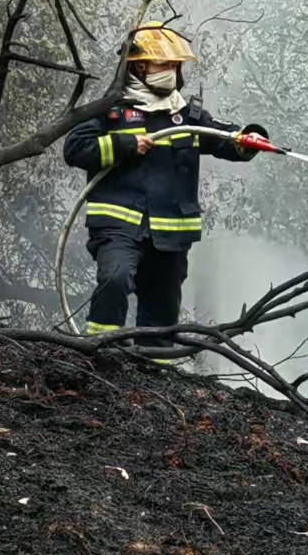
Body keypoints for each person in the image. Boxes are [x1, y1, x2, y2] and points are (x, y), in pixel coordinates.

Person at [63, 25, 268, 342]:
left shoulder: (186, 115)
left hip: (170, 232)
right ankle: (100, 355)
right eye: (165, 65)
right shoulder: (112, 110)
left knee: (162, 312)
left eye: (176, 66)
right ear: (140, 66)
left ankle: (153, 376)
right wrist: (128, 145)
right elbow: (75, 148)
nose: (172, 72)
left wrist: (248, 139)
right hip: (118, 227)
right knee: (114, 280)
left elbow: (223, 140)